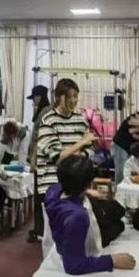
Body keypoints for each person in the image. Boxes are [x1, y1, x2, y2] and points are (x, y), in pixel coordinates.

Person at [45, 155, 136, 275]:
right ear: (89, 183)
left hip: (79, 215)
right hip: (88, 235)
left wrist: (86, 191)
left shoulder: (53, 191)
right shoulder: (77, 217)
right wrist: (111, 260)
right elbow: (73, 265)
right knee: (118, 222)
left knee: (114, 210)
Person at [34, 78, 95, 242]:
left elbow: (90, 150)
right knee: (58, 235)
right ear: (59, 97)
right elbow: (58, 157)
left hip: (76, 185)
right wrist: (81, 144)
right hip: (53, 186)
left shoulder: (80, 120)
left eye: (76, 96)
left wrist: (80, 153)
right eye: (69, 97)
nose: (73, 101)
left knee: (78, 231)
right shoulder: (48, 121)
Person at [26, 85, 52, 242]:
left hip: (41, 162)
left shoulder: (45, 113)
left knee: (40, 198)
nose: (33, 102)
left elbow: (39, 139)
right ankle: (40, 229)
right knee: (40, 197)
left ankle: (41, 231)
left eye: (34, 98)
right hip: (41, 161)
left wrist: (34, 160)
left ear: (39, 97)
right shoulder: (44, 112)